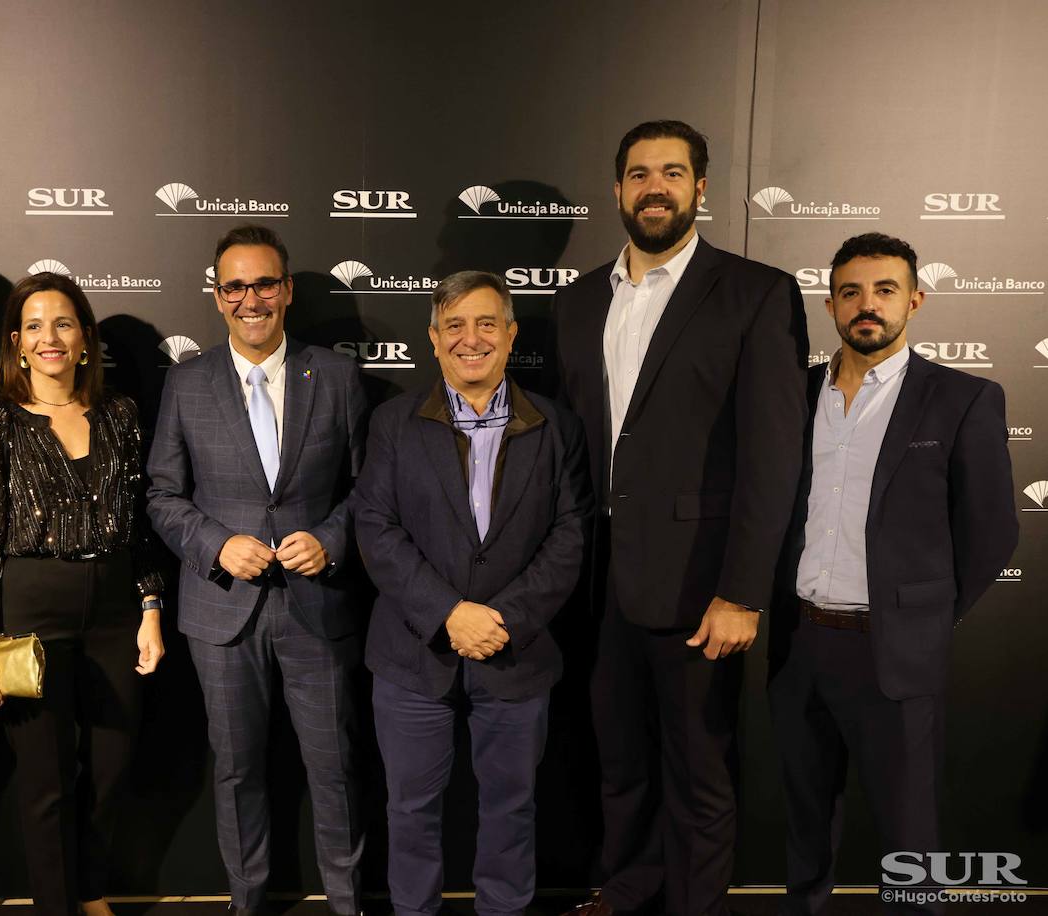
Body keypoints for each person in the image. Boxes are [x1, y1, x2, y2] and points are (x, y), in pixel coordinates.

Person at [551, 120, 809, 916]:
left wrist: (744, 591)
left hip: (702, 588)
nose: (653, 186)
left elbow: (773, 457)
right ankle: (628, 891)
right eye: (637, 173)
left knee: (699, 771)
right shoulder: (580, 299)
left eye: (671, 172)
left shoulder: (755, 292)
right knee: (621, 764)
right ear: (617, 190)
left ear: (701, 188)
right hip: (599, 587)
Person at [767, 234, 1017, 915]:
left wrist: (923, 614)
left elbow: (993, 531)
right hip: (800, 645)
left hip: (893, 651)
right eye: (850, 292)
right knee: (804, 824)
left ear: (915, 298)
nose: (866, 305)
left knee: (910, 838)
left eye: (883, 290)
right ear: (830, 305)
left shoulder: (963, 398)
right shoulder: (797, 392)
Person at [146, 224, 368, 916]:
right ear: (217, 297)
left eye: (264, 283)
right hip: (222, 608)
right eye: (235, 285)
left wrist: (331, 538)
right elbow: (161, 493)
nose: (251, 299)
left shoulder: (336, 375)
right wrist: (215, 544)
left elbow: (371, 492)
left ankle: (347, 902)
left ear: (287, 290)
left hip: (317, 604)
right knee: (237, 771)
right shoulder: (186, 382)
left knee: (334, 769)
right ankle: (247, 903)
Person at [353, 271, 590, 916]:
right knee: (409, 809)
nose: (471, 338)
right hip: (412, 655)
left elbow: (571, 535)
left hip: (517, 655)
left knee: (512, 808)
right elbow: (375, 527)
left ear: (511, 335)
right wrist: (448, 614)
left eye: (487, 323)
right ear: (433, 340)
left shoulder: (557, 428)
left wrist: (504, 619)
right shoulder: (392, 424)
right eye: (453, 325)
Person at [0, 272, 166, 916]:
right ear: (16, 343)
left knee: (110, 770)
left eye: (63, 323)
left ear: (85, 339)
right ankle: (55, 905)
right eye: (35, 326)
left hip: (116, 609)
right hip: (30, 607)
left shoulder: (120, 415)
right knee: (44, 781)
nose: (50, 337)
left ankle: (90, 890)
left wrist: (151, 607)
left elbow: (140, 523)